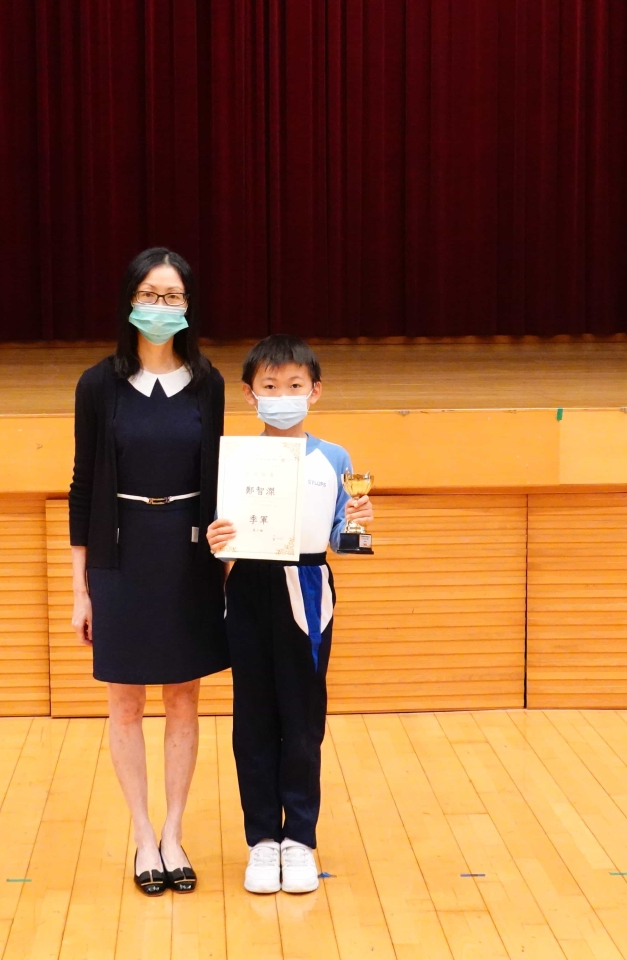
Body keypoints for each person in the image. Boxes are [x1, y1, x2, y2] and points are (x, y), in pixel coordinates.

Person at [69, 247, 229, 897]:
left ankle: (174, 833)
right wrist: (80, 588)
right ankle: (141, 837)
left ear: (188, 307)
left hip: (188, 552)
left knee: (184, 695)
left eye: (173, 297)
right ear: (130, 301)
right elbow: (82, 487)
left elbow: (220, 474)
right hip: (120, 553)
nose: (160, 307)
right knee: (125, 700)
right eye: (150, 295)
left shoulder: (209, 383)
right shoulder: (97, 385)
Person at [205, 334, 374, 895]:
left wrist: (356, 523)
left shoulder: (335, 459)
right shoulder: (235, 459)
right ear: (250, 394)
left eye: (294, 385)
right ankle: (261, 840)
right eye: (270, 386)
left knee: (302, 717)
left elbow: (341, 537)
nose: (282, 396)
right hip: (249, 584)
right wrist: (216, 543)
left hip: (308, 585)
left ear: (315, 391)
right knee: (253, 715)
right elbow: (220, 538)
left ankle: (299, 838)